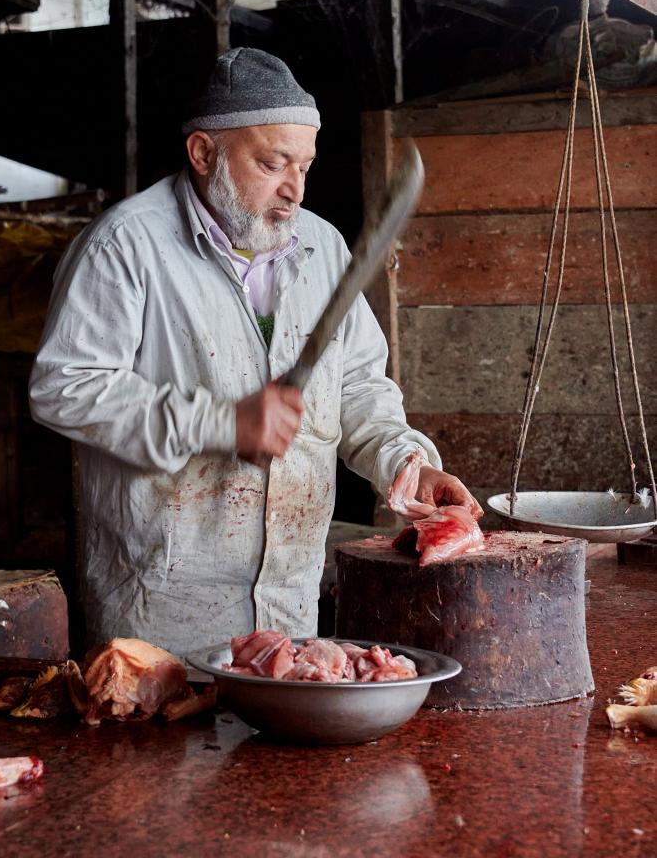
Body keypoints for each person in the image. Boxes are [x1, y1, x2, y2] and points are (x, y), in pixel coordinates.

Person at [29, 48, 481, 657]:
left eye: (306, 166)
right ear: (203, 152)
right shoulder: (124, 246)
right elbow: (65, 388)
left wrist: (406, 464)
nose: (294, 189)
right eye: (273, 164)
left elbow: (357, 386)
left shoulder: (322, 247)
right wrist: (223, 422)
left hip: (288, 611)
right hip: (162, 620)